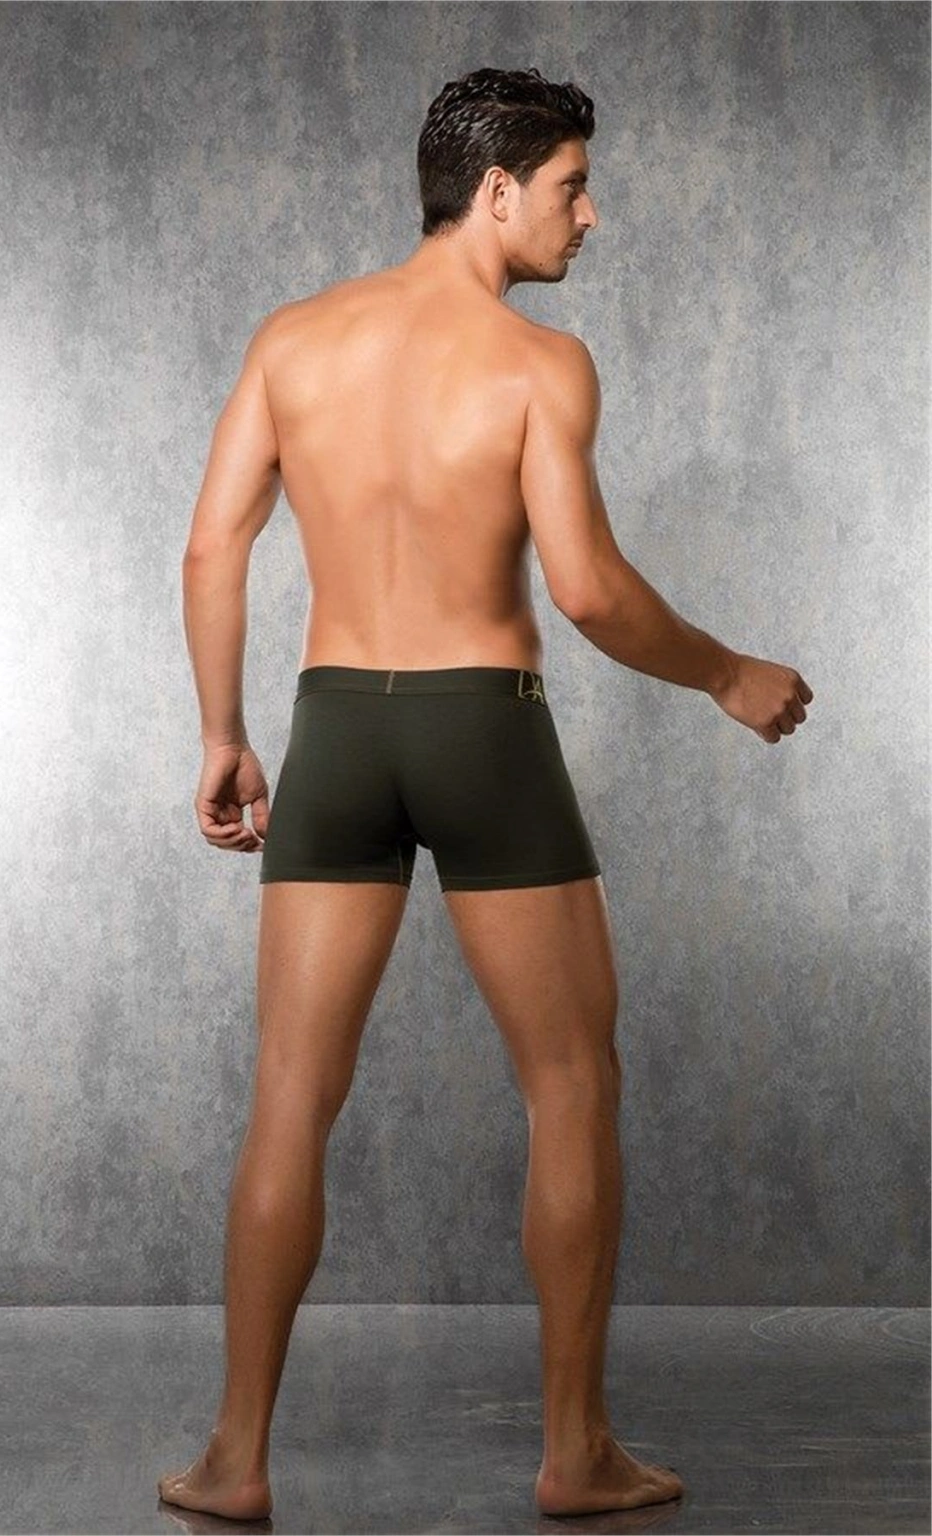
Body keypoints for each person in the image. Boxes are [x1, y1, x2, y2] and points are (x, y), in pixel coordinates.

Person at [158, 66, 813, 1522]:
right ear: (497, 190)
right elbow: (584, 589)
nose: (592, 215)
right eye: (573, 185)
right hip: (483, 730)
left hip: (335, 729)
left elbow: (213, 548)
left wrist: (222, 733)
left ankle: (233, 1459)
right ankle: (576, 1454)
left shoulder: (293, 340)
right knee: (572, 1083)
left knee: (290, 1093)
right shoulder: (540, 365)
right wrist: (724, 674)